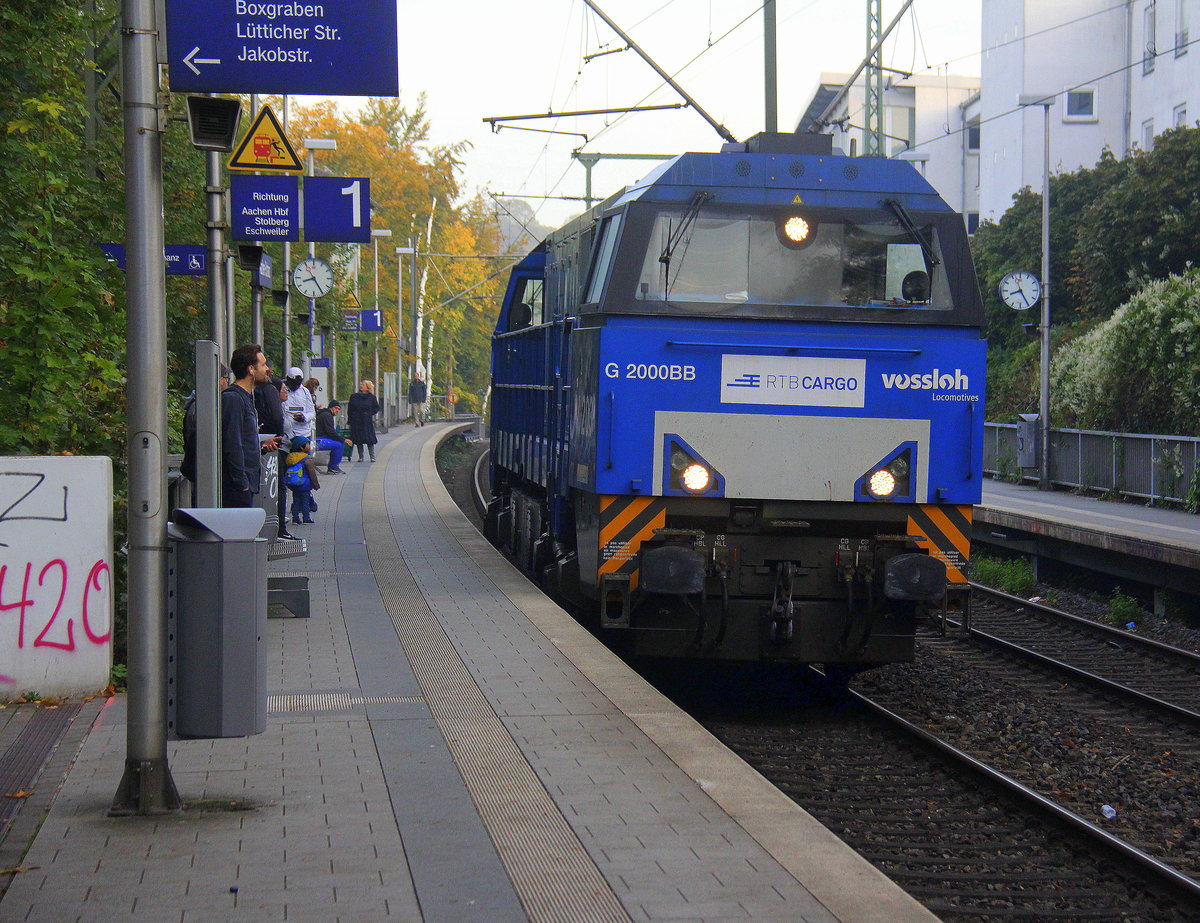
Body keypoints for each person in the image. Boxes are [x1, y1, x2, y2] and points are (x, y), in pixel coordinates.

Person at [221, 345, 280, 508]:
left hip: (244, 484)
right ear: (251, 370)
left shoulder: (245, 398)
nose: (267, 369)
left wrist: (261, 446)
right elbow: (232, 444)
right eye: (263, 365)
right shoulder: (233, 399)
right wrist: (242, 484)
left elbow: (242, 440)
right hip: (237, 489)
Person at [254, 372, 295, 540]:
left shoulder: (280, 406)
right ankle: (278, 527)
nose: (286, 391)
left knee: (279, 486)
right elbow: (280, 424)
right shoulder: (272, 406)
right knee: (279, 487)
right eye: (283, 389)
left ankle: (278, 525)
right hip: (276, 449)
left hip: (280, 448)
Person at [181, 364, 229, 486]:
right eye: (225, 378)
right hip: (203, 472)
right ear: (219, 380)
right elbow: (198, 441)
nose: (227, 382)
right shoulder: (200, 407)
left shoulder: (201, 404)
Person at [283, 435, 321, 524]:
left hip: (294, 484)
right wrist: (316, 485)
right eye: (307, 444)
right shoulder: (306, 459)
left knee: (296, 501)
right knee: (305, 502)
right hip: (305, 484)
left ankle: (295, 518)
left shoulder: (290, 458)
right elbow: (312, 474)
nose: (309, 446)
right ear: (301, 447)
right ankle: (306, 518)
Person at [315, 400, 352, 473]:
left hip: (318, 438)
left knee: (338, 443)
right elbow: (331, 432)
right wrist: (343, 440)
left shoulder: (324, 414)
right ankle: (333, 466)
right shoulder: (327, 415)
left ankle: (333, 466)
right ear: (331, 407)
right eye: (336, 408)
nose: (337, 410)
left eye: (339, 409)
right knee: (338, 445)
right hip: (317, 440)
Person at [347, 380, 380, 462]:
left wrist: (369, 414)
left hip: (366, 420)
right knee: (358, 439)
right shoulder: (354, 396)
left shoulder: (371, 397)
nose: (361, 386)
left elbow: (376, 407)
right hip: (356, 420)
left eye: (363, 385)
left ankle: (372, 456)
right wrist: (350, 419)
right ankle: (361, 456)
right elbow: (350, 409)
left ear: (368, 387)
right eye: (361, 384)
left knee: (369, 439)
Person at [282, 366, 315, 442]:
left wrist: (304, 417)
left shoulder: (305, 392)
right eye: (293, 384)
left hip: (304, 433)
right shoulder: (282, 390)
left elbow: (312, 413)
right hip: (287, 434)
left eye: (298, 384)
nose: (295, 387)